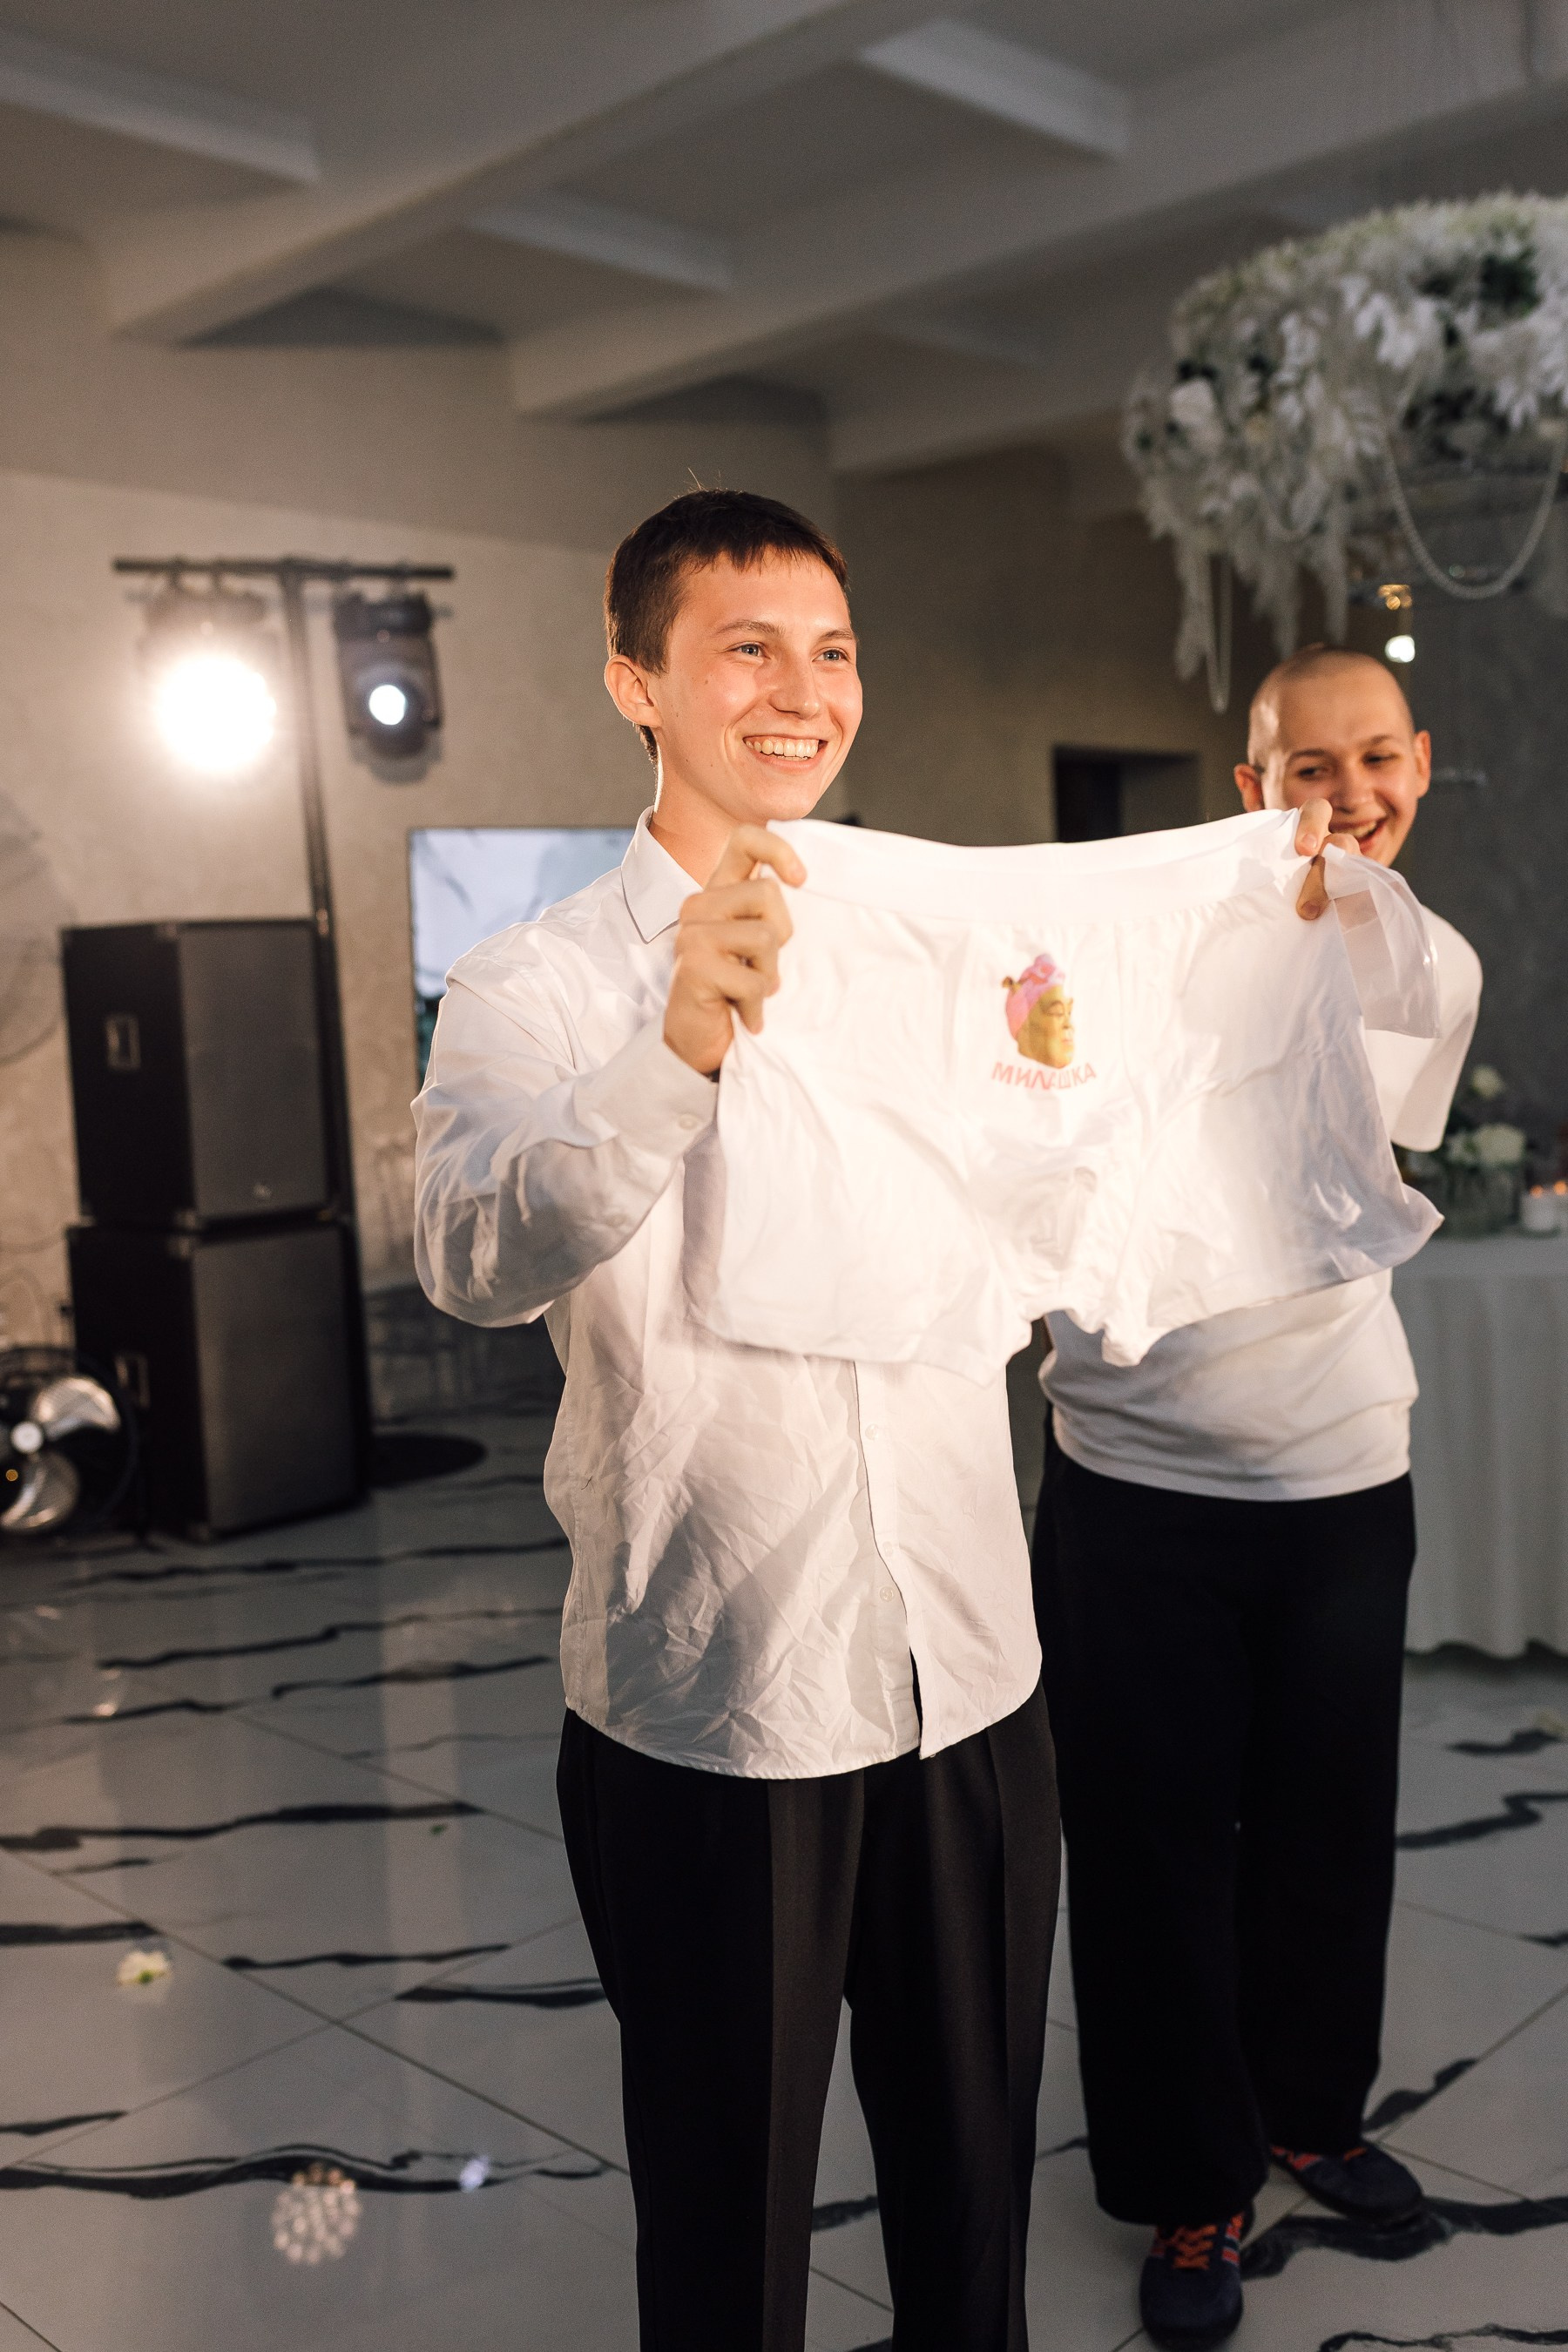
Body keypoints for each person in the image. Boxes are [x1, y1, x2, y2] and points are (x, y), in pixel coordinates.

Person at [413, 488, 1341, 2352]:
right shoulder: (543, 980)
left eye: (832, 651)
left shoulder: (937, 959)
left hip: (972, 1680)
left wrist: (1247, 944)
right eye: (746, 647)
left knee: (971, 2208)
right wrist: (672, 1048)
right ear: (636, 681)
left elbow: (1094, 1148)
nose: (802, 690)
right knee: (729, 2228)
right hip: (714, 1697)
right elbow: (469, 1250)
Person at [1032, 646, 1481, 2351]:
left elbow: (1346, 1150)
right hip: (1136, 1473)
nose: (1349, 793)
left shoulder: (1429, 962)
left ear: (1419, 765)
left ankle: (1310, 2111)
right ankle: (1187, 2179)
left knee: (1328, 1827)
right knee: (1151, 1852)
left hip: (1342, 1461)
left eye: (1376, 760)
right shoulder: (1133, 939)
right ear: (1252, 785)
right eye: (1310, 766)